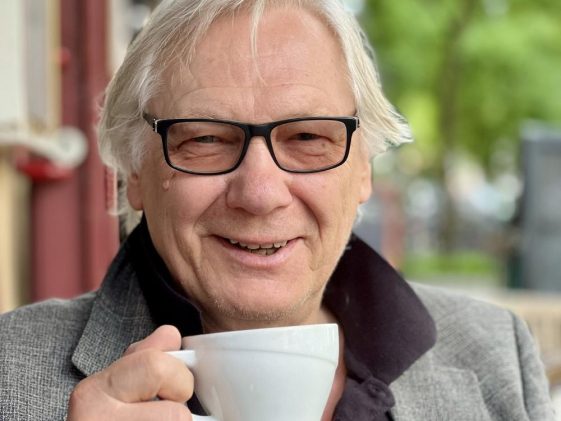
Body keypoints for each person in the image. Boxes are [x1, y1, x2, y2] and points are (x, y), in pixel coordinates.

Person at [0, 0, 555, 420]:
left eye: (308, 137)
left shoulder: (494, 351)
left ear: (364, 169)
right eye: (205, 139)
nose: (261, 193)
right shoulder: (10, 371)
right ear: (135, 172)